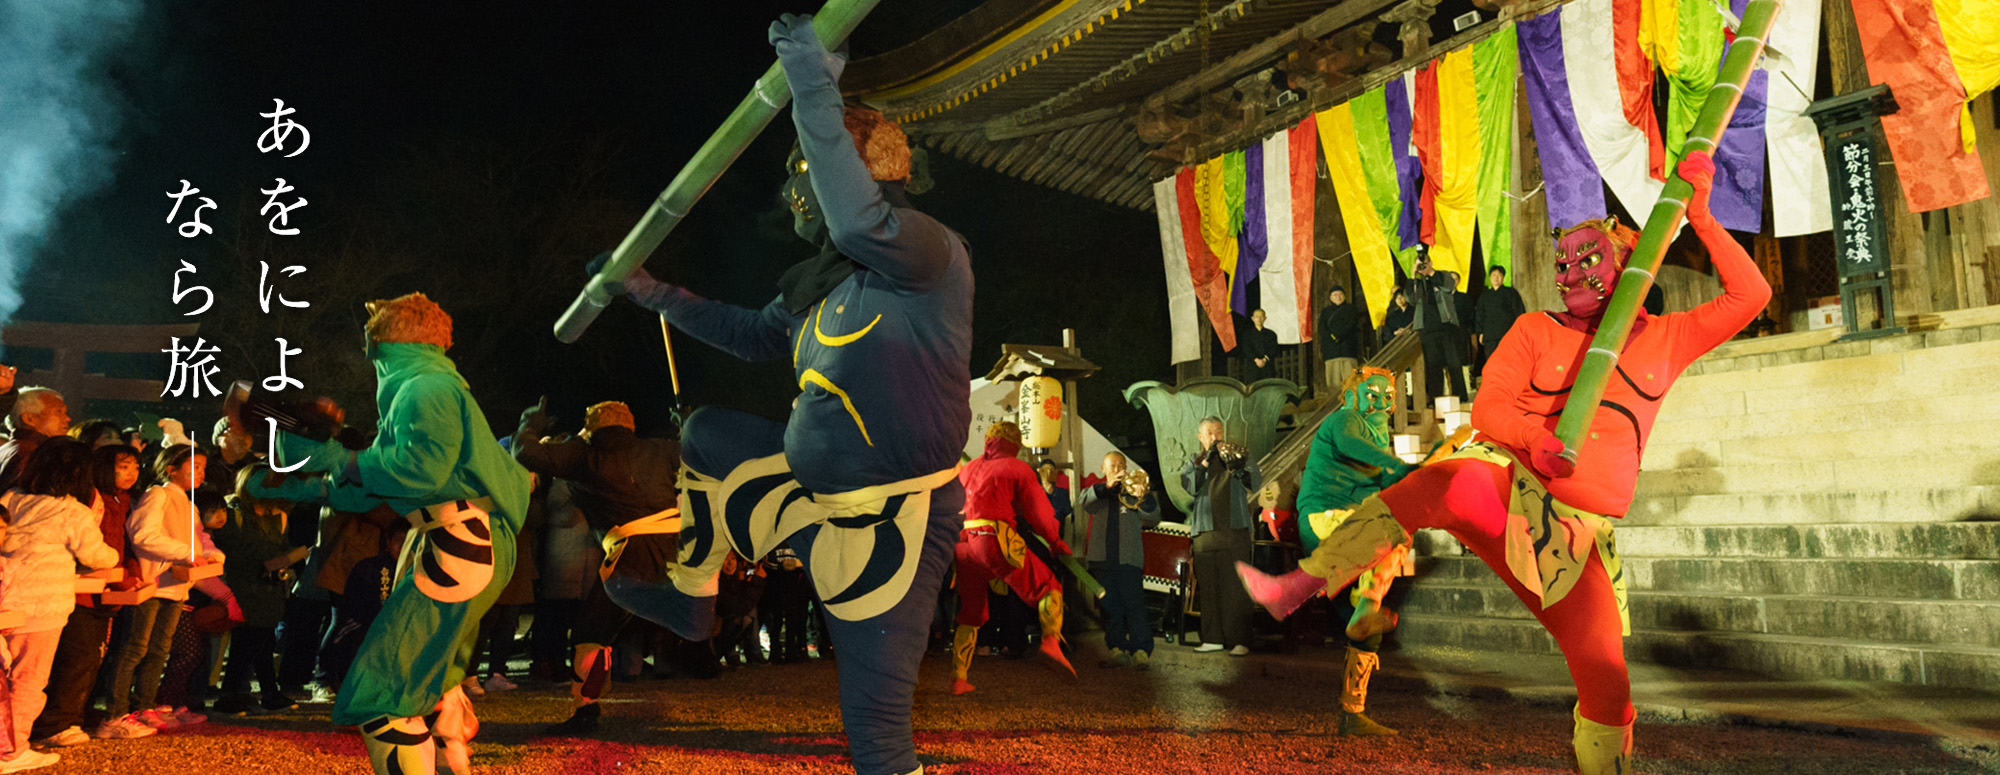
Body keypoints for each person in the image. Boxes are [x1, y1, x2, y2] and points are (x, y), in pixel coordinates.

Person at [1239, 153, 1769, 774]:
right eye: (1563, 263)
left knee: (1607, 682)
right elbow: (1490, 406)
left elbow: (1752, 295)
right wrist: (1531, 437)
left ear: (1627, 263)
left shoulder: (1665, 338)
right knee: (1453, 482)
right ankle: (1301, 585)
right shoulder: (1534, 329)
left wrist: (1702, 217)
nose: (1571, 272)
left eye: (1588, 258)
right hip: (1512, 488)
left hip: (1579, 536)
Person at [588, 15, 972, 775]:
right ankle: (692, 597)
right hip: (805, 492)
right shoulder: (815, 287)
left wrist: (809, 83)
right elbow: (746, 332)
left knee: (876, 735)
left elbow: (856, 222)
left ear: (844, 171)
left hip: (891, 519)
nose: (793, 192)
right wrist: (650, 290)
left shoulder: (929, 252)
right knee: (705, 435)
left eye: (803, 169)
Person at [264, 292, 531, 775]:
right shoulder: (430, 383)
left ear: (382, 342)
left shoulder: (423, 387)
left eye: (370, 342)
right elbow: (387, 486)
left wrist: (340, 460)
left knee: (383, 689)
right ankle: (448, 743)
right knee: (423, 675)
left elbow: (419, 470)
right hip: (462, 536)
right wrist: (311, 487)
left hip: (461, 540)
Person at [511, 400, 680, 736]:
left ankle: (586, 709)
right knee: (604, 632)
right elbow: (701, 456)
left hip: (630, 559)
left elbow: (524, 453)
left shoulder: (584, 455)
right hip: (671, 558)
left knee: (589, 633)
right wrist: (684, 428)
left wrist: (529, 424)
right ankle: (594, 696)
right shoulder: (662, 450)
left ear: (591, 428)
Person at [1293, 367, 1413, 736]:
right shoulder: (1344, 419)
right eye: (1371, 393)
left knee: (1363, 626)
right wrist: (1394, 464)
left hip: (1344, 531)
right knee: (1397, 534)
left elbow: (1380, 483)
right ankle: (1368, 604)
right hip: (1325, 518)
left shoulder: (1377, 437)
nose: (1381, 401)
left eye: (1387, 396)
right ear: (1350, 397)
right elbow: (1349, 444)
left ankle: (1353, 713)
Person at [0, 438, 119, 773]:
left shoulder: (12, 498)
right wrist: (114, 557)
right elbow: (97, 555)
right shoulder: (72, 511)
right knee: (28, 680)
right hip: (44, 605)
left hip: (6, 600)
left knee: (4, 679)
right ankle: (12, 751)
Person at [101, 443, 222, 739]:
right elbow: (143, 534)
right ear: (171, 469)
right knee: (135, 648)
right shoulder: (158, 494)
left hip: (176, 586)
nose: (200, 473)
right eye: (194, 467)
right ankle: (115, 713)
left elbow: (201, 540)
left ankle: (145, 706)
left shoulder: (189, 504)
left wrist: (212, 555)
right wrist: (187, 553)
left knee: (159, 650)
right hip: (152, 583)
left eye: (203, 468)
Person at [29, 444, 144, 748]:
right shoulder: (83, 503)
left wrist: (126, 570)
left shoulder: (118, 500)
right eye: (123, 466)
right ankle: (55, 723)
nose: (132, 473)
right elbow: (95, 552)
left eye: (136, 467)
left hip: (91, 590)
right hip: (79, 590)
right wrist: (119, 571)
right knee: (74, 660)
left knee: (85, 658)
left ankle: (72, 716)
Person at [950, 421, 1075, 694]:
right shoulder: (1017, 468)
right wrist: (1055, 541)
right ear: (1016, 444)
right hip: (994, 540)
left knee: (971, 611)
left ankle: (959, 677)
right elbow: (1039, 513)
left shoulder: (969, 468)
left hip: (964, 544)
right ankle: (1050, 643)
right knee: (1047, 586)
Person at [209, 465, 300, 715]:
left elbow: (280, 547)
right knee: (247, 642)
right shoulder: (234, 512)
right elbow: (228, 549)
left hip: (269, 588)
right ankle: (231, 695)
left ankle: (267, 692)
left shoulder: (278, 515)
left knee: (263, 641)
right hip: (242, 586)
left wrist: (284, 561)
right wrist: (266, 562)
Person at [1179, 417, 1261, 656]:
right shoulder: (1194, 461)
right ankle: (1212, 638)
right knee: (1209, 589)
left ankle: (1240, 639)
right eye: (1209, 433)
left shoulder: (1238, 455)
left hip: (1234, 533)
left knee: (1236, 589)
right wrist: (1205, 461)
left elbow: (1255, 482)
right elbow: (1190, 486)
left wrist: (1238, 466)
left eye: (1219, 432)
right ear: (1200, 437)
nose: (1215, 438)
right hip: (1205, 535)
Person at [1075, 452, 1160, 669]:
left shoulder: (1133, 491)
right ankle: (1117, 649)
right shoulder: (1097, 492)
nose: (1117, 469)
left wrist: (1145, 496)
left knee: (1135, 605)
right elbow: (1083, 503)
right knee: (1109, 607)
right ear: (1103, 469)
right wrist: (1107, 487)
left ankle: (1141, 651)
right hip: (1102, 559)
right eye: (1112, 465)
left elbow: (1153, 517)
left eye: (1121, 465)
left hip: (1129, 558)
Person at [1406, 253, 1467, 399]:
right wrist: (1413, 276)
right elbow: (1411, 299)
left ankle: (1461, 398)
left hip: (1447, 326)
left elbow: (1449, 286)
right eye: (1419, 265)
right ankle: (1436, 400)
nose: (1422, 267)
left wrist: (1431, 273)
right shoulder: (1418, 283)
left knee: (1454, 364)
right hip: (1427, 329)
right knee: (1433, 367)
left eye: (1424, 264)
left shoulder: (1442, 275)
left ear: (1431, 263)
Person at [0, 387, 65, 493]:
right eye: (59, 412)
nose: (67, 418)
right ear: (29, 418)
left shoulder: (10, 447)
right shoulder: (32, 454)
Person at [1473, 266, 1527, 379]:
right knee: (1492, 360)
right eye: (1493, 275)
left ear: (1503, 278)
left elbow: (1519, 311)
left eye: (1499, 275)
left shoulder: (1511, 293)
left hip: (1508, 332)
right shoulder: (1485, 296)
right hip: (1490, 334)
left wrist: (1520, 330)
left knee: (1509, 360)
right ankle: (1495, 383)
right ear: (1490, 278)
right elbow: (1479, 315)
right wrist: (1480, 332)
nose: (1496, 278)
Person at [1317, 288, 1365, 394]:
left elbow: (1351, 324)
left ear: (1344, 296)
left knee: (1351, 382)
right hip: (1331, 351)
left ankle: (1353, 402)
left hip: (1347, 349)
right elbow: (1322, 328)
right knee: (1333, 384)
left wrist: (1338, 335)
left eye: (1340, 294)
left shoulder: (1351, 309)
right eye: (1335, 295)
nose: (1338, 297)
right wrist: (1332, 336)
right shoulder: (1325, 312)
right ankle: (1336, 403)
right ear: (1330, 297)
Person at [1238, 309, 1281, 383]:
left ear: (1265, 318)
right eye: (1257, 317)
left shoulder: (1271, 334)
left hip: (1267, 367)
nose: (1259, 319)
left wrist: (1264, 359)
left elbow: (1274, 349)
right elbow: (1246, 349)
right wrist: (1256, 359)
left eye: (1261, 317)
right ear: (1253, 318)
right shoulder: (1247, 334)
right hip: (1252, 368)